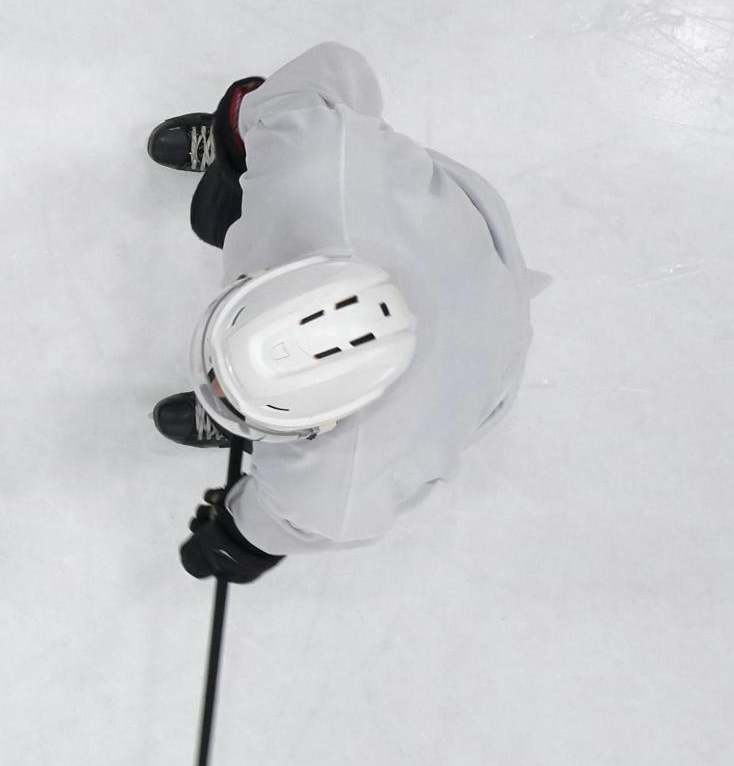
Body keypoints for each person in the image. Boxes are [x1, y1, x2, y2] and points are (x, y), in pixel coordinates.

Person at [146, 43, 539, 582]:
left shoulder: (342, 477)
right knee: (224, 205)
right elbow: (333, 73)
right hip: (463, 239)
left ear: (328, 425)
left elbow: (292, 521)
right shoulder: (313, 159)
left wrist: (244, 534)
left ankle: (251, 433)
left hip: (480, 375)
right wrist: (246, 136)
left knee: (224, 211)